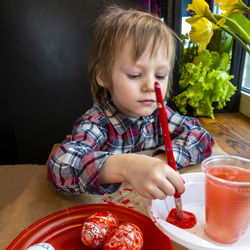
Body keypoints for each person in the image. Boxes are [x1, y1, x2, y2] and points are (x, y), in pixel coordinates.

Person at [47, 6, 214, 200]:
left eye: (160, 75)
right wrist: (126, 167)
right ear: (103, 76)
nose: (152, 86)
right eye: (134, 75)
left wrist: (161, 161)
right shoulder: (97, 123)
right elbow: (59, 166)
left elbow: (202, 137)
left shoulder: (159, 116)